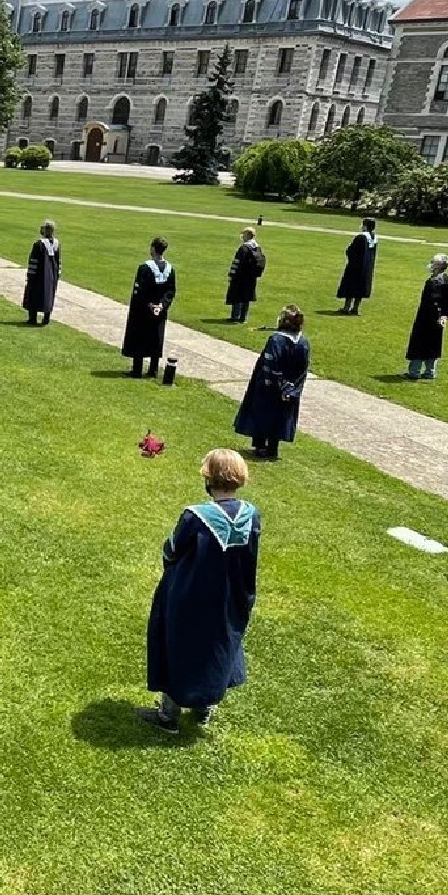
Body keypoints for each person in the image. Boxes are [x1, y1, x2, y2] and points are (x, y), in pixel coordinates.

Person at [139, 448, 261, 734]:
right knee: (216, 646)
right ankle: (204, 708)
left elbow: (171, 550)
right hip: (231, 596)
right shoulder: (251, 515)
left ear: (209, 478)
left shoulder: (195, 516)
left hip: (189, 594)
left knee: (178, 644)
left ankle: (168, 716)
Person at [233, 306, 310, 459]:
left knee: (263, 414)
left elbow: (270, 364)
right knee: (280, 417)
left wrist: (277, 385)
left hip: (269, 387)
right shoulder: (303, 342)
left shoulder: (276, 340)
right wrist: (291, 390)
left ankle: (261, 447)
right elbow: (303, 371)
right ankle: (273, 448)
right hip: (289, 388)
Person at [122, 237, 176, 378]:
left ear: (153, 248)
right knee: (155, 337)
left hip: (143, 310)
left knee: (139, 336)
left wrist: (149, 305)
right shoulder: (170, 269)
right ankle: (153, 370)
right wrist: (162, 305)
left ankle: (137, 369)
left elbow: (139, 290)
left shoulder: (145, 268)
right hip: (160, 310)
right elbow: (170, 291)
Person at [404, 253, 448, 380]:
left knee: (419, 343)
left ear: (438, 266)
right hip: (439, 319)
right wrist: (445, 315)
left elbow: (431, 301)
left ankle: (414, 371)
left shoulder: (433, 282)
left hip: (426, 317)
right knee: (434, 344)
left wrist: (438, 314)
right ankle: (430, 371)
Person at [22, 219, 61, 325]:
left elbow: (33, 262)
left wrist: (30, 275)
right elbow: (58, 262)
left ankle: (32, 318)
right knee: (49, 295)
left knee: (34, 294)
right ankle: (46, 318)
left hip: (39, 276)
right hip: (51, 276)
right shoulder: (56, 244)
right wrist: (57, 275)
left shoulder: (39, 244)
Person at [336, 218, 378, 315]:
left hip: (356, 266)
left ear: (366, 226)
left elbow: (351, 250)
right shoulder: (374, 238)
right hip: (367, 267)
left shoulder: (361, 237)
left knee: (351, 285)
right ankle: (355, 308)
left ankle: (346, 308)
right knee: (360, 287)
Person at [225, 228, 266, 323]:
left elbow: (237, 263)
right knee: (246, 297)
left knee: (237, 295)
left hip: (240, 275)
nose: (242, 236)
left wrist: (232, 274)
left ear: (248, 235)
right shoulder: (257, 247)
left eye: (244, 234)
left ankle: (235, 316)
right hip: (251, 276)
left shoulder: (244, 248)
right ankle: (243, 317)